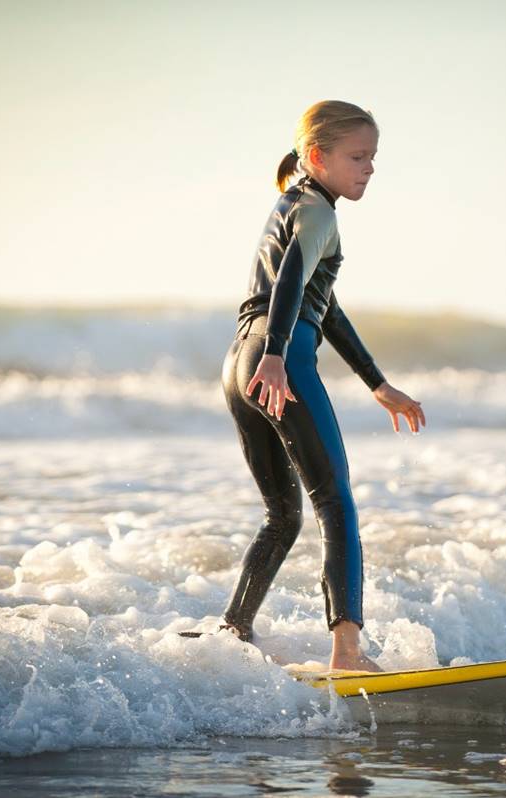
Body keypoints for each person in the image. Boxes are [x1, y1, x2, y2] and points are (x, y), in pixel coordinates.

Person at [217, 100, 425, 672]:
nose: (370, 168)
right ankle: (348, 653)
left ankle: (231, 635)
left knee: (283, 516)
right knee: (336, 499)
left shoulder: (291, 205)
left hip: (240, 363)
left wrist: (377, 384)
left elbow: (324, 307)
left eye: (372, 157)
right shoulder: (317, 210)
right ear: (317, 157)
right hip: (276, 358)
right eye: (358, 156)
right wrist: (281, 355)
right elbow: (289, 284)